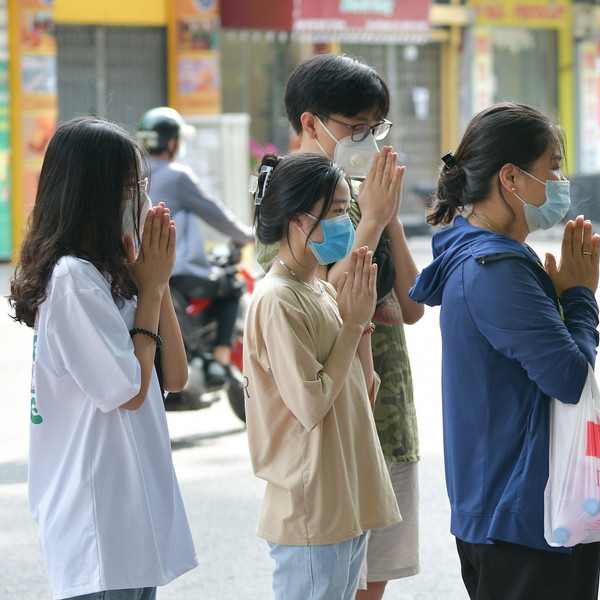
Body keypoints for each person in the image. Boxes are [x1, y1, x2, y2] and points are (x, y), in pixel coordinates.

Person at [408, 102, 600, 599]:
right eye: (552, 167)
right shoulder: (495, 268)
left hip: (507, 506)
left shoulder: (477, 252)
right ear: (511, 178)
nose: (561, 180)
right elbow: (569, 378)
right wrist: (580, 297)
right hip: (520, 514)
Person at [8, 116, 197, 599]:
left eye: (141, 184)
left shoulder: (117, 271)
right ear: (92, 194)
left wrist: (157, 279)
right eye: (129, 187)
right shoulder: (72, 278)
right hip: (96, 525)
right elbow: (128, 393)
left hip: (131, 520)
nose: (141, 199)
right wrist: (150, 288)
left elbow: (174, 375)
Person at [261, 53, 424, 600]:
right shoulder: (288, 196)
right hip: (330, 423)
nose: (368, 139)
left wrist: (386, 212)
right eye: (356, 127)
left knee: (371, 575)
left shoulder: (363, 194)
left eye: (375, 127)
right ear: (311, 122)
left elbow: (414, 302)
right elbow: (327, 300)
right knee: (332, 579)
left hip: (384, 400)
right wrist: (370, 217)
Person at [243, 151, 400, 600]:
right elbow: (311, 404)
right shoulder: (278, 300)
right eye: (334, 212)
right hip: (313, 506)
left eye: (344, 211)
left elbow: (364, 392)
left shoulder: (318, 290)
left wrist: (361, 319)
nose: (343, 224)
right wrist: (351, 326)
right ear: (297, 220)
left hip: (344, 496)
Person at [138, 106, 255, 386]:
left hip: (140, 271)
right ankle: (220, 359)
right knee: (233, 287)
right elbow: (213, 212)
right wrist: (247, 236)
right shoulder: (178, 175)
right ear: (171, 142)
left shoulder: (134, 173)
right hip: (179, 273)